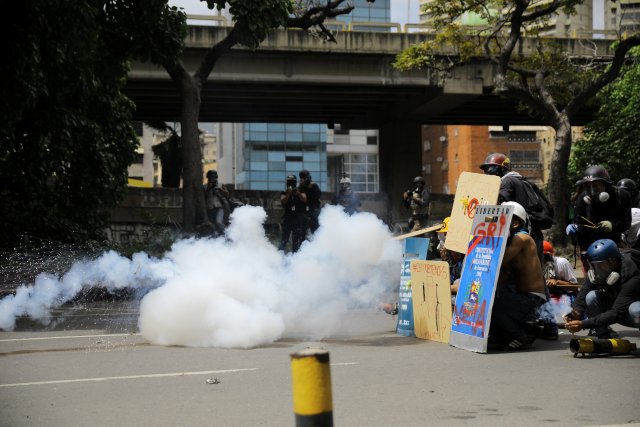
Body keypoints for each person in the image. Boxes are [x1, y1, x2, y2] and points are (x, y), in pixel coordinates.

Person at [489, 201, 547, 350]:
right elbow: (504, 274)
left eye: (502, 220)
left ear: (514, 224)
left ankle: (520, 335)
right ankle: (505, 333)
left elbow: (499, 261)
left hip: (531, 297)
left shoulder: (521, 238)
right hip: (522, 295)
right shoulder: (513, 241)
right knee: (491, 296)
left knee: (490, 303)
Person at [564, 239, 640, 339]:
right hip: (618, 309)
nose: (596, 270)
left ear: (613, 261)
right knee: (591, 296)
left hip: (628, 312)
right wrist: (576, 312)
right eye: (593, 265)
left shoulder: (632, 274)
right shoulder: (600, 271)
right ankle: (601, 336)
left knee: (636, 310)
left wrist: (583, 324)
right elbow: (584, 291)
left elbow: (616, 313)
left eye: (600, 265)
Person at [480, 152, 546, 262]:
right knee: (534, 271)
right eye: (485, 169)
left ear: (503, 168)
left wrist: (481, 217)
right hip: (532, 232)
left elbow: (499, 208)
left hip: (520, 235)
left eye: (490, 168)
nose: (487, 172)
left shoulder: (507, 181)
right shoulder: (520, 180)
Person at [566, 165, 632, 271]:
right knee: (592, 278)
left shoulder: (621, 196)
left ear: (605, 183)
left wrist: (612, 225)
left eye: (596, 185)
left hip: (613, 244)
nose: (592, 190)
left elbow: (626, 223)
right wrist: (574, 228)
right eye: (588, 186)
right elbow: (578, 222)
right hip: (588, 246)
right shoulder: (583, 199)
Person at [279, 174, 307, 252]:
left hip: (297, 220)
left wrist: (297, 193)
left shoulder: (300, 191)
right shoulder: (284, 192)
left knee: (296, 242)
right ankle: (279, 257)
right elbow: (283, 201)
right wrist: (289, 193)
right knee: (284, 241)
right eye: (289, 182)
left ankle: (295, 259)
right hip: (287, 219)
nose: (291, 183)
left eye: (292, 182)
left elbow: (305, 199)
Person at [203, 170, 230, 236]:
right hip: (209, 208)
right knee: (212, 225)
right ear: (208, 178)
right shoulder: (204, 186)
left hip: (219, 207)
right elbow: (202, 197)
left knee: (218, 222)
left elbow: (227, 195)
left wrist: (220, 190)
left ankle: (227, 234)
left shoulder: (221, 185)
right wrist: (209, 188)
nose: (212, 179)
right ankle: (216, 238)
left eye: (214, 177)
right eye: (211, 177)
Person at [299, 169, 322, 234]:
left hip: (314, 209)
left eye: (308, 176)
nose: (308, 178)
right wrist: (303, 185)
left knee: (315, 231)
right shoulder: (301, 187)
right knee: (302, 231)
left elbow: (318, 194)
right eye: (306, 177)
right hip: (304, 210)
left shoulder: (313, 185)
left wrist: (310, 187)